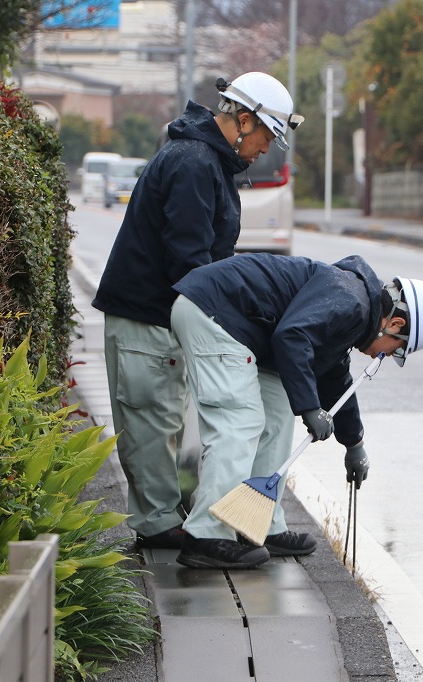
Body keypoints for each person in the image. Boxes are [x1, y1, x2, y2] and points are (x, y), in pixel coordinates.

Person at [92, 73, 303, 550]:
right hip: (146, 315)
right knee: (152, 421)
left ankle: (178, 521)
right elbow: (190, 260)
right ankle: (161, 527)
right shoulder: (194, 162)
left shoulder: (205, 159)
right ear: (243, 121)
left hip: (164, 314)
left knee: (166, 419)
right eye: (267, 137)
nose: (266, 150)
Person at [168, 253, 423, 568]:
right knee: (240, 420)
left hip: (242, 325)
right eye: (396, 349)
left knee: (277, 419)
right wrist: (310, 408)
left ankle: (256, 525)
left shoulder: (354, 308)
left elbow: (335, 377)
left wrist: (353, 443)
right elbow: (292, 336)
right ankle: (205, 535)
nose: (384, 356)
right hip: (214, 313)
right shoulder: (351, 301)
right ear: (395, 324)